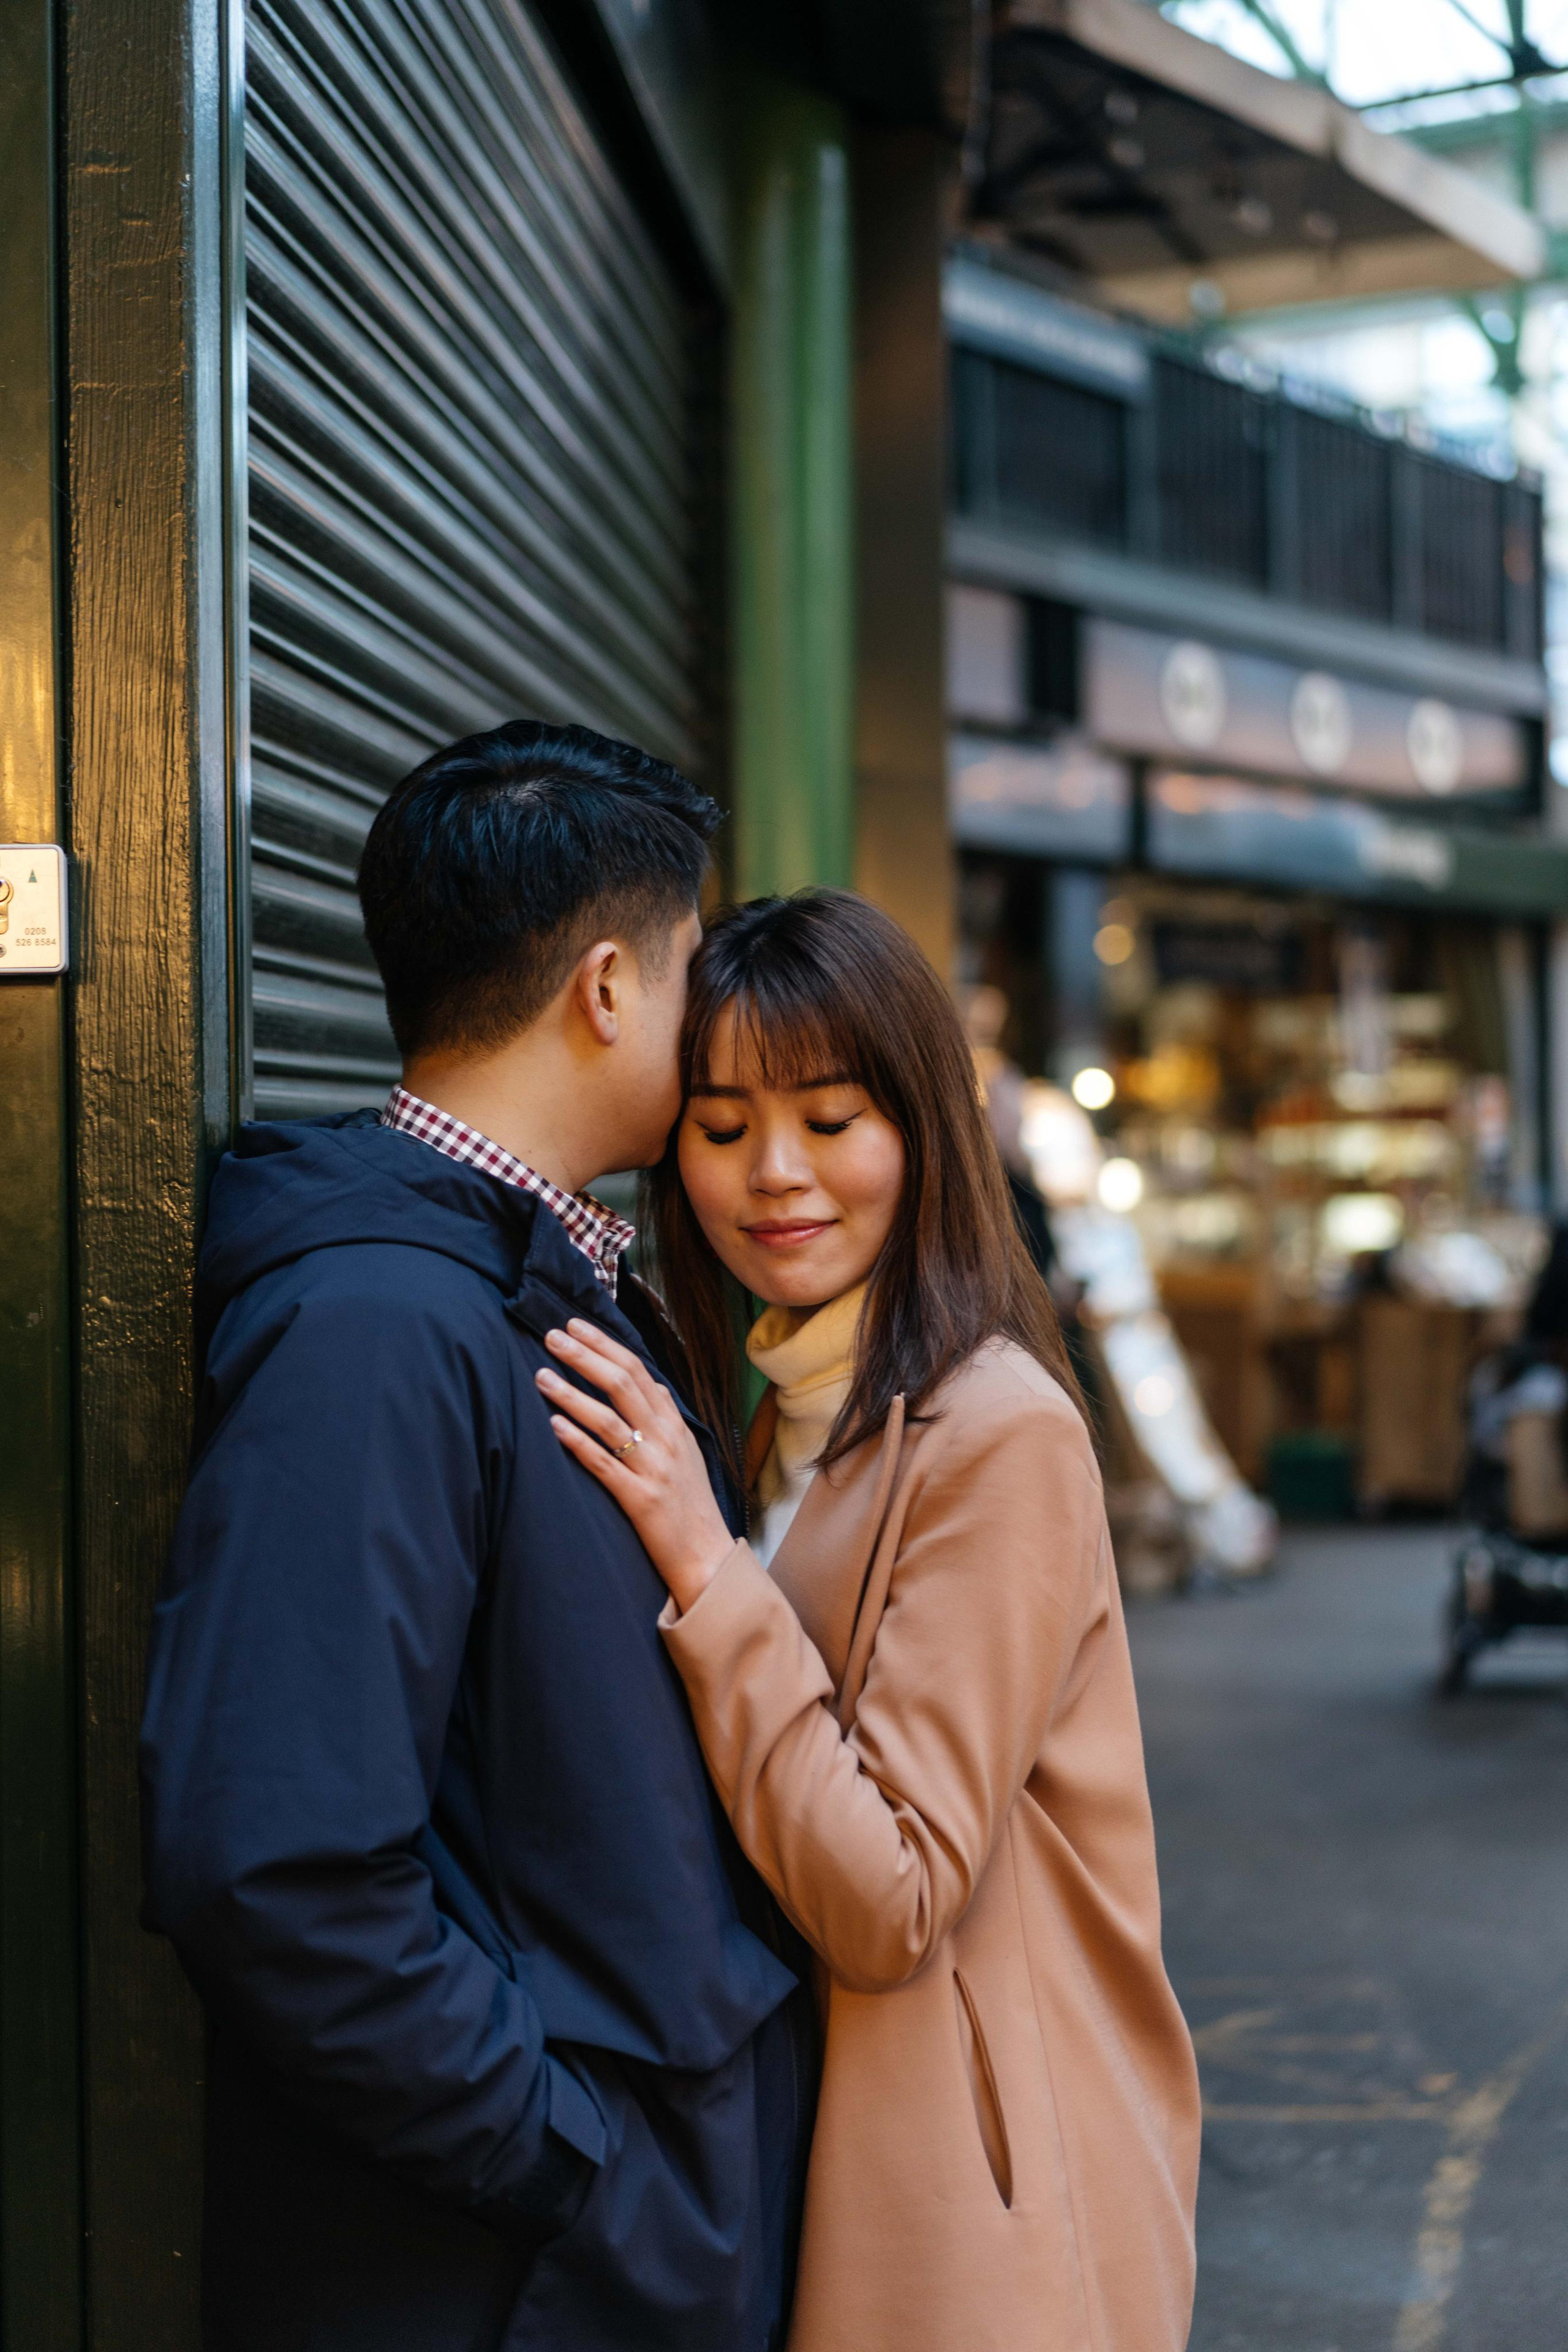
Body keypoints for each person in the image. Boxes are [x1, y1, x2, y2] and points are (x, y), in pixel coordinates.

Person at [140, 723, 816, 2351]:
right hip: (500, 2284)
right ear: (604, 988)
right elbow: (279, 1869)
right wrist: (578, 2165)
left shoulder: (517, 1280)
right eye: (686, 965)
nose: (702, 1011)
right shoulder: (381, 1320)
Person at [539, 889, 1201, 2352]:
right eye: (719, 1131)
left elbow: (890, 1896)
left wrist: (711, 1578)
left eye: (832, 1121)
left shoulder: (996, 1433)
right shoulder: (767, 1414)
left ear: (920, 1130)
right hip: (792, 2157)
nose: (775, 1177)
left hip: (975, 2204)